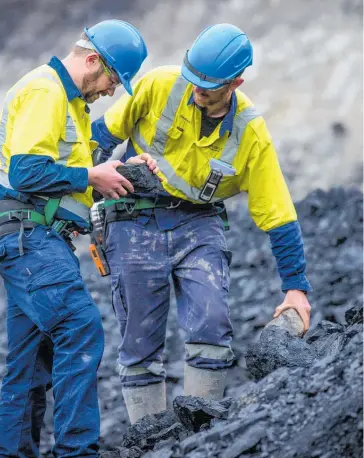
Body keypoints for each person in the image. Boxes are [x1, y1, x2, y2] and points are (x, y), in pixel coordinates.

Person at [91, 23, 312, 424]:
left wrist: (296, 288)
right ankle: (149, 440)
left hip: (199, 223)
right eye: (191, 78)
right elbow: (100, 136)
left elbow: (277, 213)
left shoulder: (250, 132)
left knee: (212, 324)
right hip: (134, 219)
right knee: (139, 341)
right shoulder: (159, 85)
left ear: (236, 82)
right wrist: (89, 185)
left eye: (207, 85)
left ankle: (200, 436)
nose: (195, 89)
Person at [0, 20, 147, 457]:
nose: (112, 91)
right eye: (113, 79)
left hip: (30, 236)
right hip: (27, 234)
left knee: (29, 363)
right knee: (79, 326)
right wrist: (92, 174)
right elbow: (26, 171)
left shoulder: (71, 104)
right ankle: (77, 453)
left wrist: (121, 172)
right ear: (93, 60)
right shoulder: (46, 91)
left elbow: (67, 178)